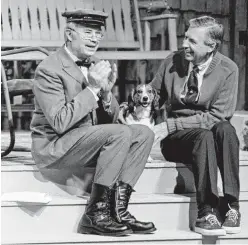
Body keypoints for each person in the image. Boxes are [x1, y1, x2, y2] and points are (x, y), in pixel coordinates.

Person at [30, 9, 156, 237]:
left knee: (143, 134)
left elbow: (114, 118)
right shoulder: (49, 69)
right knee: (119, 134)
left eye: (98, 34)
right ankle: (95, 214)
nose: (95, 38)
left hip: (88, 140)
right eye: (88, 32)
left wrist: (106, 95)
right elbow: (59, 122)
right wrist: (94, 88)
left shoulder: (97, 64)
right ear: (69, 34)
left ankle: (118, 210)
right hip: (55, 147)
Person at [150, 16, 241, 236]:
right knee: (204, 136)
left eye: (192, 41)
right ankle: (206, 210)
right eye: (185, 37)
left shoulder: (228, 69)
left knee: (226, 130)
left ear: (211, 46)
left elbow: (218, 116)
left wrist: (171, 124)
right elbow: (153, 97)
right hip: (178, 140)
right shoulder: (172, 61)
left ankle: (230, 205)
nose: (184, 44)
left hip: (200, 131)